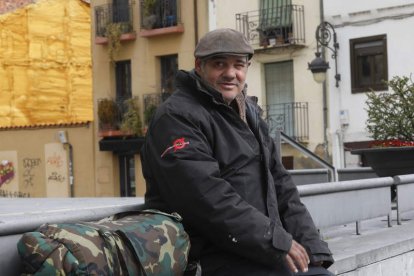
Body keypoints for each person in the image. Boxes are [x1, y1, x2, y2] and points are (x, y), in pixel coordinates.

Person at [141, 28, 334, 276]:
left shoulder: (247, 113)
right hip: (208, 258)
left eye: (238, 65)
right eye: (219, 64)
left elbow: (282, 185)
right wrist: (277, 242)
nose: (230, 73)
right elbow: (206, 198)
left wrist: (313, 250)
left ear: (247, 67)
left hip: (256, 251)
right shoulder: (176, 117)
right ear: (199, 66)